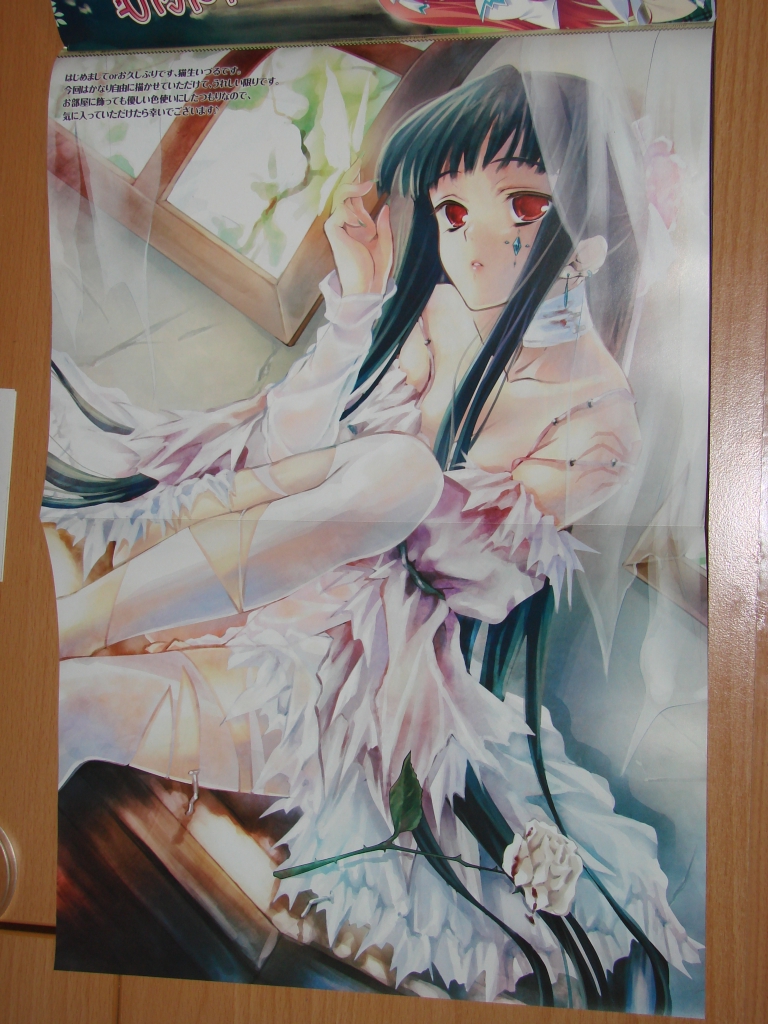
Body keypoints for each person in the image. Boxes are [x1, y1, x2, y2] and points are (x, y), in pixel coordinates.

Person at [44, 65, 701, 1008]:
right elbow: (291, 447)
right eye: (451, 210)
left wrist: (387, 470)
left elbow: (469, 574)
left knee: (75, 701)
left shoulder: (600, 421)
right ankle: (71, 621)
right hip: (247, 561)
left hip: (350, 672)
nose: (473, 243)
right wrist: (357, 302)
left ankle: (74, 624)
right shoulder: (433, 313)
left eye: (520, 204)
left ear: (592, 226)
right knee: (60, 695)